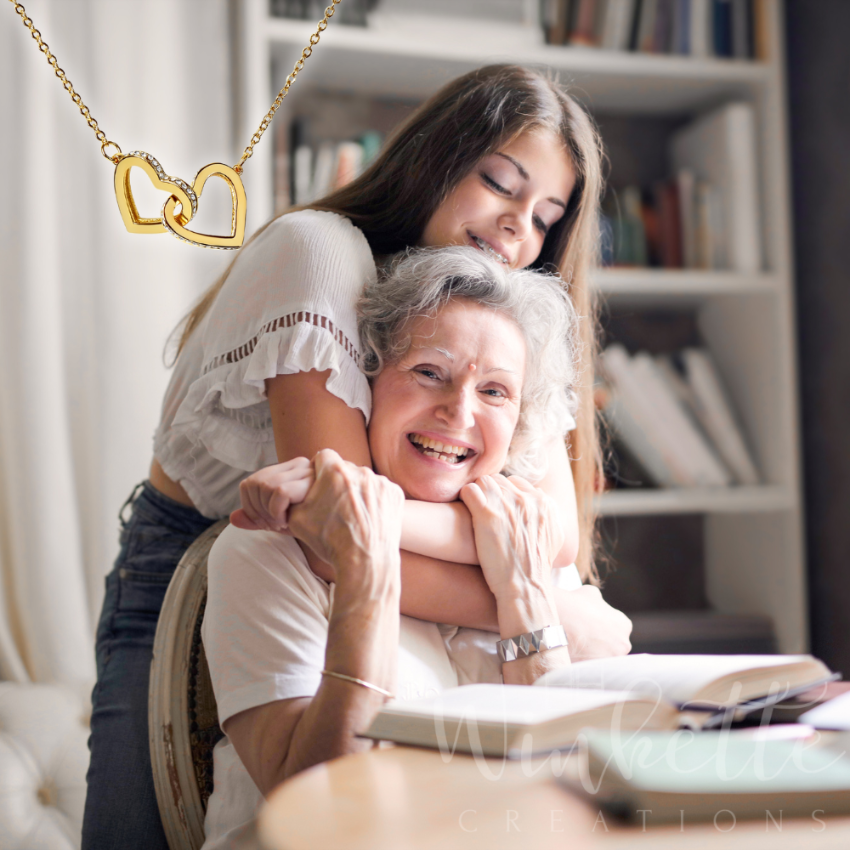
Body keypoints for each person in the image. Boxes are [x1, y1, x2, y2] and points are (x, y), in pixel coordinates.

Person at [82, 64, 626, 850]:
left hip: (360, 565)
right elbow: (342, 538)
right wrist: (539, 602)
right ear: (434, 159)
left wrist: (527, 575)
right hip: (203, 562)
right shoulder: (319, 252)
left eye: (546, 217)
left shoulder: (501, 314)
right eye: (499, 184)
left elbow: (555, 533)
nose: (518, 228)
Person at [201, 247, 613, 848]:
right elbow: (326, 810)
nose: (459, 411)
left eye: (495, 391)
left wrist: (525, 594)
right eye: (428, 372)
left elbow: (566, 794)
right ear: (367, 381)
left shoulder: (524, 547)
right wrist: (364, 572)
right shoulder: (268, 553)